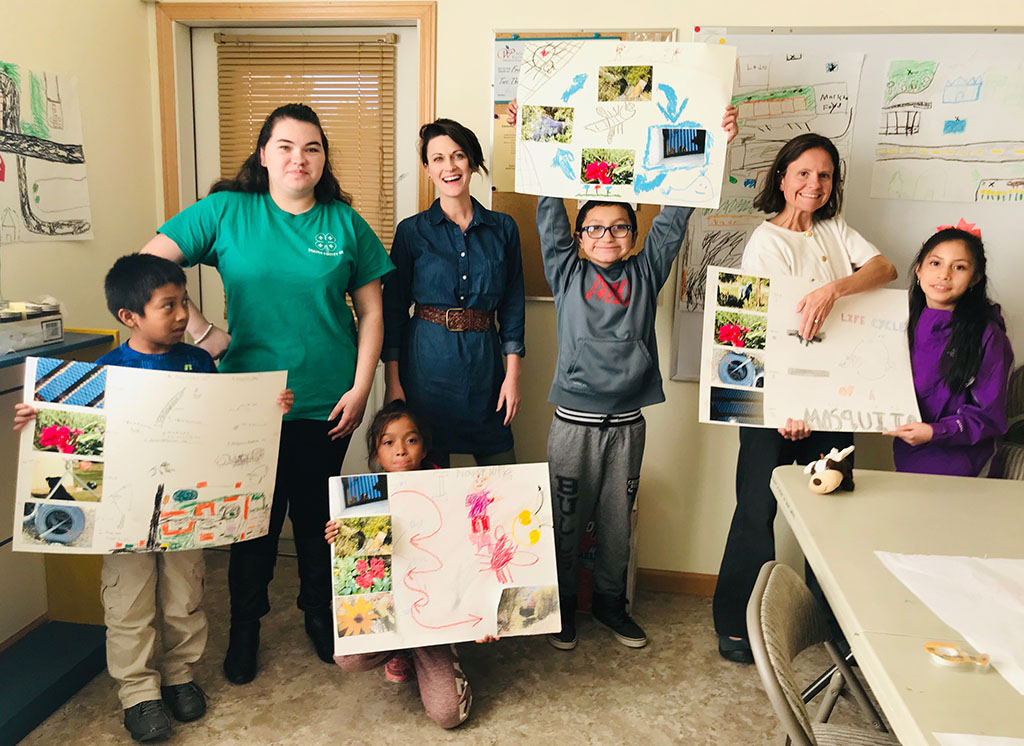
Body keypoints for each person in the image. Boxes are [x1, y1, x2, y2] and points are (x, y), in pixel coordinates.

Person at [140, 103, 394, 684]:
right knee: (251, 526)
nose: (298, 158)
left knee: (315, 521)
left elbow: (374, 312)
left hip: (329, 401)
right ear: (263, 154)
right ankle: (245, 630)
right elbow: (149, 264)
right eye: (285, 146)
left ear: (323, 158)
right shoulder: (229, 211)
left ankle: (318, 616)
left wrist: (362, 387)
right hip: (246, 403)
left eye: (311, 147)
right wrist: (204, 334)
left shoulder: (345, 223)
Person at [14, 254, 293, 742]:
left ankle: (181, 674)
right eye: (169, 306)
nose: (183, 314)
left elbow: (221, 425)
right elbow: (76, 438)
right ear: (130, 317)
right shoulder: (103, 372)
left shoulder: (198, 361)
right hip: (126, 517)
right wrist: (39, 419)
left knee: (186, 598)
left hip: (187, 510)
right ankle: (138, 694)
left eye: (184, 301)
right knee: (129, 605)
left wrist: (264, 410)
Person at [509, 101, 739, 651]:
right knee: (566, 523)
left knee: (615, 524)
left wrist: (711, 141)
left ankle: (611, 605)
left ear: (633, 235)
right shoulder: (565, 271)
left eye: (619, 227)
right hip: (573, 425)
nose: (607, 235)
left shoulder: (647, 269)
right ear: (580, 236)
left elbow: (676, 216)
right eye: (594, 227)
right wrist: (535, 135)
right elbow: (547, 206)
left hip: (628, 425)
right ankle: (561, 610)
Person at [712, 133, 898, 664]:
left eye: (824, 175)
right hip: (775, 402)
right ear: (782, 178)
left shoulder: (837, 230)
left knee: (834, 507)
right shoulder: (764, 243)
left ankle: (829, 624)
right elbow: (756, 334)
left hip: (834, 398)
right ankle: (737, 625)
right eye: (803, 174)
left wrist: (832, 289)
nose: (813, 185)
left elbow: (884, 269)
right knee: (756, 509)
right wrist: (787, 409)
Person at [325, 400, 492, 729]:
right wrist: (338, 535)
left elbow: (475, 555)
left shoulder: (453, 489)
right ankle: (401, 650)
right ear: (376, 452)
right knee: (348, 654)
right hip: (393, 610)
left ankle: (441, 652)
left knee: (449, 716)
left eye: (411, 440)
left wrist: (484, 614)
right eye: (389, 442)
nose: (400, 450)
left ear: (425, 446)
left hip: (438, 615)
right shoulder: (363, 495)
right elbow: (354, 573)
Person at [382, 119, 525, 468]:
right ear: (428, 169)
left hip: (485, 370)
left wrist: (512, 376)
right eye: (439, 159)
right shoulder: (411, 232)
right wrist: (392, 383)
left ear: (472, 162)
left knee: (504, 479)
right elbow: (394, 310)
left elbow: (512, 307)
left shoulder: (503, 228)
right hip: (425, 369)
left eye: (459, 156)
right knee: (428, 482)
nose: (450, 167)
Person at [883, 227, 1013, 475]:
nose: (944, 275)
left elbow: (990, 416)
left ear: (975, 278)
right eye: (935, 263)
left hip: (967, 467)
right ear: (919, 270)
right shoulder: (898, 325)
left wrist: (935, 432)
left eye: (959, 267)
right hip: (909, 456)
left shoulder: (988, 336)